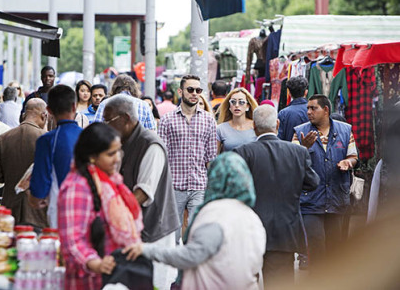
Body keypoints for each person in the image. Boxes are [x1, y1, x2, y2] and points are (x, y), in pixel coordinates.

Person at [123, 152, 266, 290]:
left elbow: (191, 256)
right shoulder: (253, 218)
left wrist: (146, 250)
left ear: (215, 179)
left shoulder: (217, 215)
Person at [234, 105, 320, 288]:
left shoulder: (242, 152)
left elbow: (233, 190)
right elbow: (313, 182)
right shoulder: (298, 152)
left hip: (250, 231)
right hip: (285, 231)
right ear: (277, 124)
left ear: (254, 127)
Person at [103, 94, 180, 290]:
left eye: (108, 121)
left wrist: (112, 214)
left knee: (156, 283)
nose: (105, 126)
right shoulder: (122, 143)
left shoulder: (150, 144)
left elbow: (143, 193)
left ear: (126, 119)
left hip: (155, 230)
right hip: (134, 230)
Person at [58, 123, 143, 289]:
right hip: (90, 282)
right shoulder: (77, 187)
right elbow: (72, 241)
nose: (117, 158)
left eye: (119, 151)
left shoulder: (109, 181)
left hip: (114, 278)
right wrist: (95, 263)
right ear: (92, 156)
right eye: (111, 154)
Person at [293, 94, 358, 267]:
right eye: (308, 108)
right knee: (316, 247)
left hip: (336, 197)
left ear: (326, 110)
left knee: (334, 248)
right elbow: (291, 162)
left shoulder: (345, 131)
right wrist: (304, 148)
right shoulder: (299, 131)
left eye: (313, 108)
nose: (308, 112)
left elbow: (353, 156)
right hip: (310, 200)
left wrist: (347, 162)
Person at [158, 75, 217, 244]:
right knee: (171, 238)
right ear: (180, 91)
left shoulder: (208, 120)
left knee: (196, 235)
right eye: (190, 89)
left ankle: (190, 270)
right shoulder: (167, 120)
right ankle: (173, 270)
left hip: (199, 185)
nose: (194, 94)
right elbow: (161, 156)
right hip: (174, 186)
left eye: (198, 90)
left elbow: (211, 157)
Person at [28, 85, 82, 228]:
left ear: (49, 111)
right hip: (88, 211)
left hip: (60, 213)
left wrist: (35, 197)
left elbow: (38, 190)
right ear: (74, 107)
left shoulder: (47, 141)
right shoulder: (89, 137)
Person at [0, 98, 49, 229]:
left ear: (23, 115)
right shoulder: (46, 139)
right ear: (44, 116)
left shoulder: (4, 138)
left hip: (10, 210)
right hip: (37, 212)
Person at [216, 87, 258, 153]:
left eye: (241, 102)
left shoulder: (256, 126)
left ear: (247, 106)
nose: (237, 105)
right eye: (233, 102)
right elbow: (214, 158)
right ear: (229, 106)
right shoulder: (220, 129)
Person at [278, 76, 309, 141]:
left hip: (289, 150)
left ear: (289, 93)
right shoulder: (315, 110)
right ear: (306, 92)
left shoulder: (284, 113)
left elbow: (279, 138)